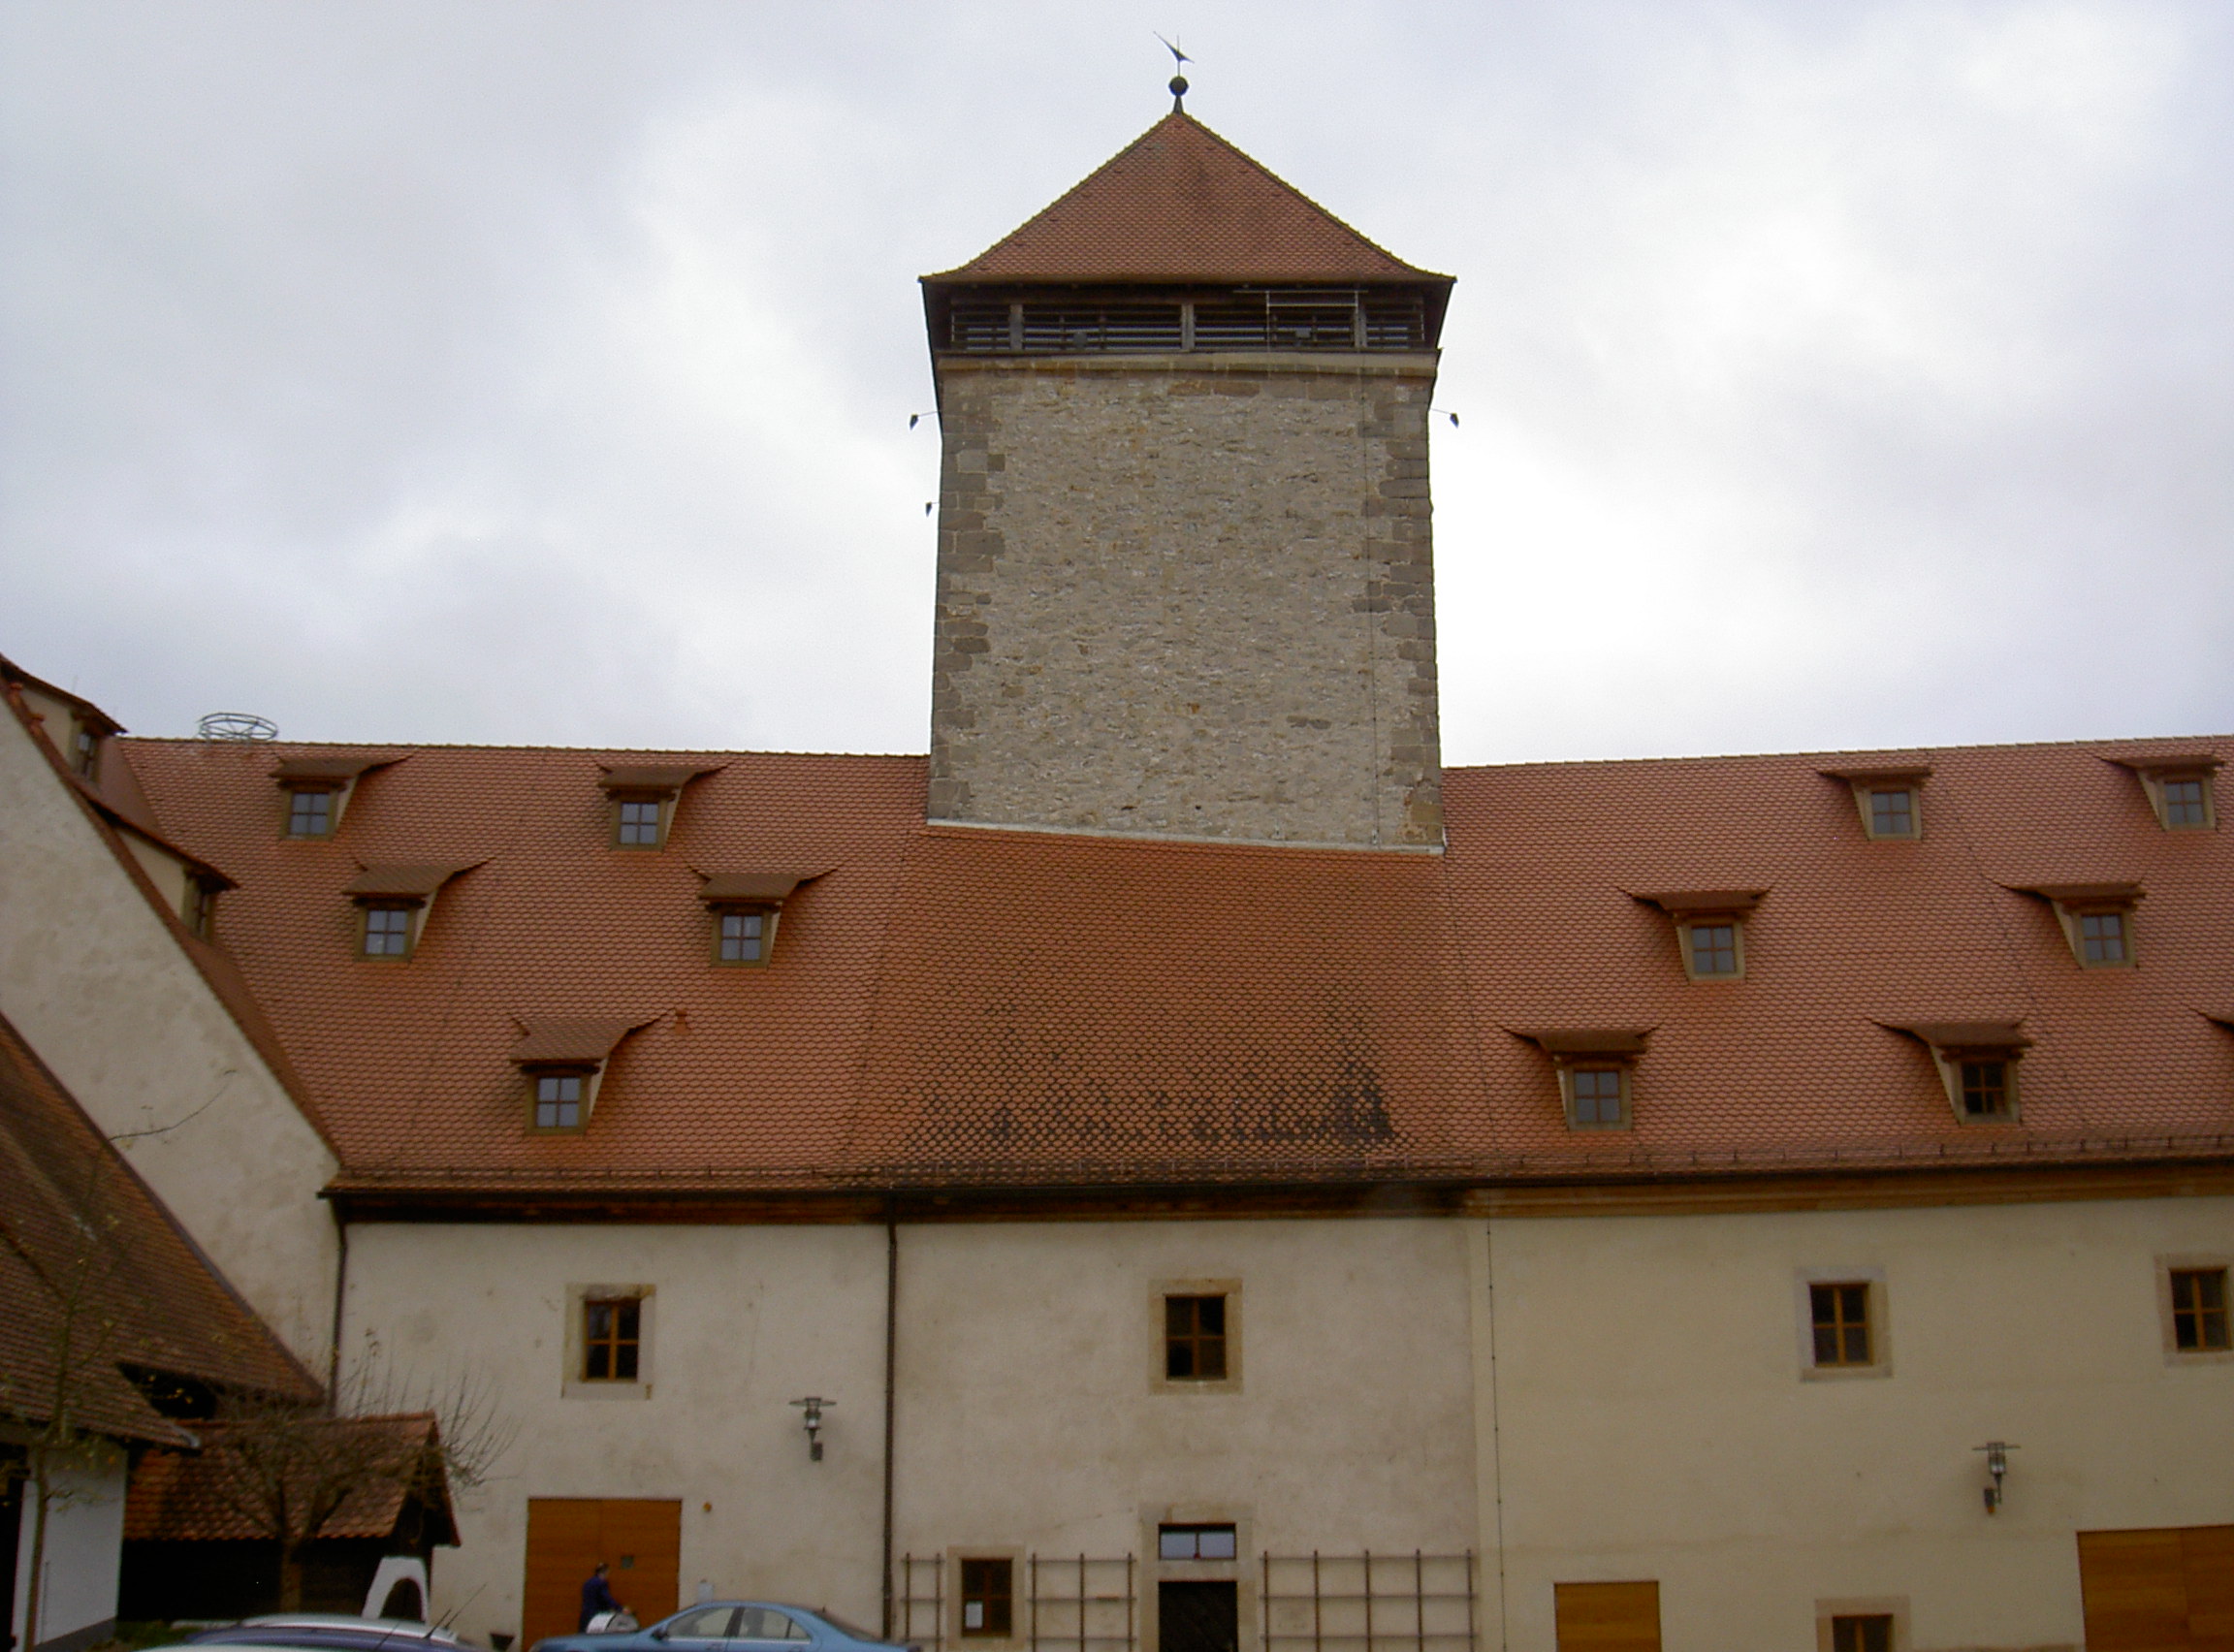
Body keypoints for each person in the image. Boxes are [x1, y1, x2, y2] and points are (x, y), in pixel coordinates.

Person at [580, 1562, 624, 1632]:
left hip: (585, 1615)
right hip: (597, 1616)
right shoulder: (601, 1583)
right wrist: (620, 1608)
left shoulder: (587, 1583)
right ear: (606, 1572)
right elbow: (607, 1598)